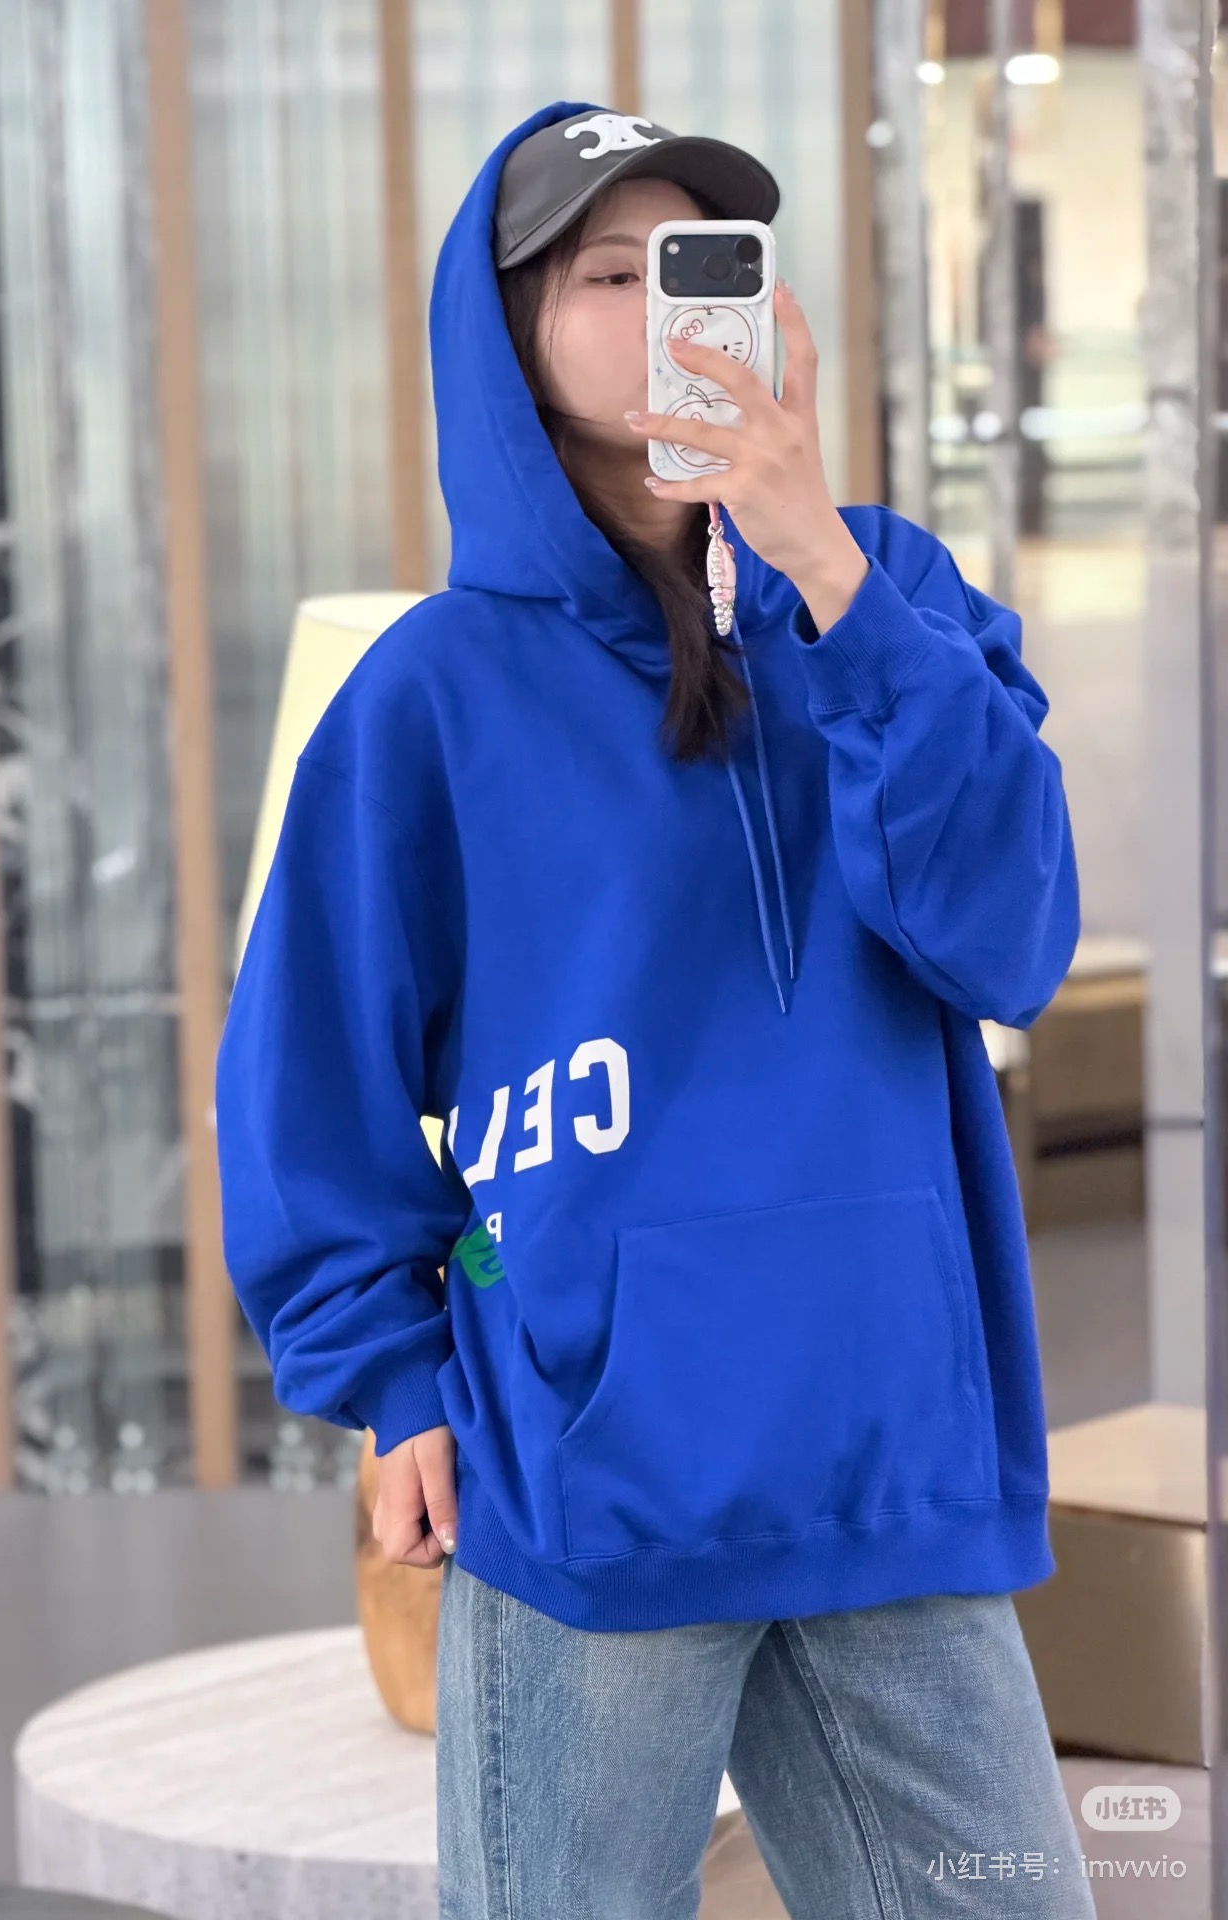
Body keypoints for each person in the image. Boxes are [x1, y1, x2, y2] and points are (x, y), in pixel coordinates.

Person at [215, 100, 1095, 1920]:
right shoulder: (434, 693)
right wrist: (391, 1379)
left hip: (888, 1451)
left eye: (696, 268)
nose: (662, 307)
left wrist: (820, 562)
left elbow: (1008, 940)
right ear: (509, 338)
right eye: (605, 275)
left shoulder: (893, 596)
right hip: (590, 1473)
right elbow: (311, 1079)